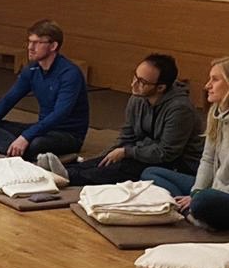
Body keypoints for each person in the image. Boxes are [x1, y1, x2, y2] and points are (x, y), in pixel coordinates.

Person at [143, 55, 229, 230]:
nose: (207, 85)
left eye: (215, 80)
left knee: (203, 202)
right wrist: (196, 191)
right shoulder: (217, 112)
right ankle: (189, 210)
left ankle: (191, 210)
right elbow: (207, 159)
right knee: (151, 173)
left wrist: (200, 196)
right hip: (217, 187)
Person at [42, 53, 203, 186]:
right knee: (107, 160)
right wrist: (104, 156)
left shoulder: (180, 109)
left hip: (177, 164)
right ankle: (65, 170)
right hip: (144, 151)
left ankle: (67, 177)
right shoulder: (138, 98)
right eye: (135, 76)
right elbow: (127, 137)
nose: (134, 84)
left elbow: (166, 153)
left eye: (142, 82)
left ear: (160, 88)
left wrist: (127, 152)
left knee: (125, 167)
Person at [0, 20, 89, 160]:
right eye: (29, 41)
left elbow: (59, 114)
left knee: (36, 144)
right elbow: (9, 99)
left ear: (53, 46)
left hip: (67, 134)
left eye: (37, 43)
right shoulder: (32, 69)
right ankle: (16, 149)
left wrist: (26, 136)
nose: (30, 47)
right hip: (42, 128)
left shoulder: (70, 74)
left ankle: (11, 148)